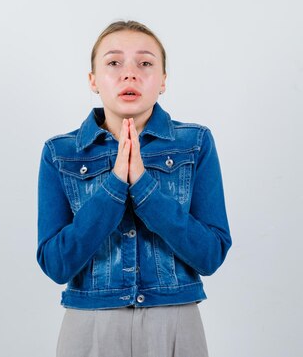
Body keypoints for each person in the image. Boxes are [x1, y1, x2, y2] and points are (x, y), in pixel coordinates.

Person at [36, 20, 232, 357]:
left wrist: (144, 187)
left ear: (164, 81)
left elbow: (210, 254)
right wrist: (114, 186)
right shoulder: (60, 152)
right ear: (93, 80)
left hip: (175, 322)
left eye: (145, 63)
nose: (130, 74)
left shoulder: (195, 143)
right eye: (114, 63)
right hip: (90, 323)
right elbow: (56, 264)